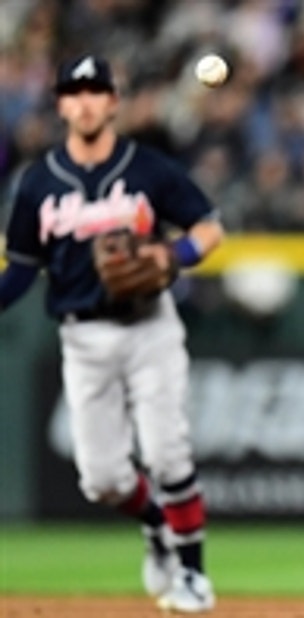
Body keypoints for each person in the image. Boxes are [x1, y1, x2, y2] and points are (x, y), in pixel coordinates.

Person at [0, 55, 221, 613]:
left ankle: (193, 574)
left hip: (151, 328)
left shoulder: (146, 169)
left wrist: (174, 255)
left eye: (96, 91)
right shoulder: (39, 182)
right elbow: (23, 268)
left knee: (168, 454)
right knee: (101, 480)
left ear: (113, 101)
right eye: (74, 93)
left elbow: (209, 228)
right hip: (84, 338)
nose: (85, 102)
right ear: (61, 105)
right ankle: (155, 526)